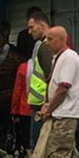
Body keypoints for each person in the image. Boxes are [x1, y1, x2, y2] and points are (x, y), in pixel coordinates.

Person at [37, 27, 79, 158]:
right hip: (60, 112)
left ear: (62, 39)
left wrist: (50, 108)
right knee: (69, 155)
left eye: (50, 39)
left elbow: (63, 88)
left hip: (66, 113)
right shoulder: (58, 58)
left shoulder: (69, 57)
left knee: (56, 155)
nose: (47, 43)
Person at [26, 11, 53, 150]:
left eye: (32, 27)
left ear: (42, 25)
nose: (29, 31)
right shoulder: (43, 45)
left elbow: (51, 76)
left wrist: (48, 102)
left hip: (42, 105)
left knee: (39, 147)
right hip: (41, 103)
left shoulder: (46, 46)